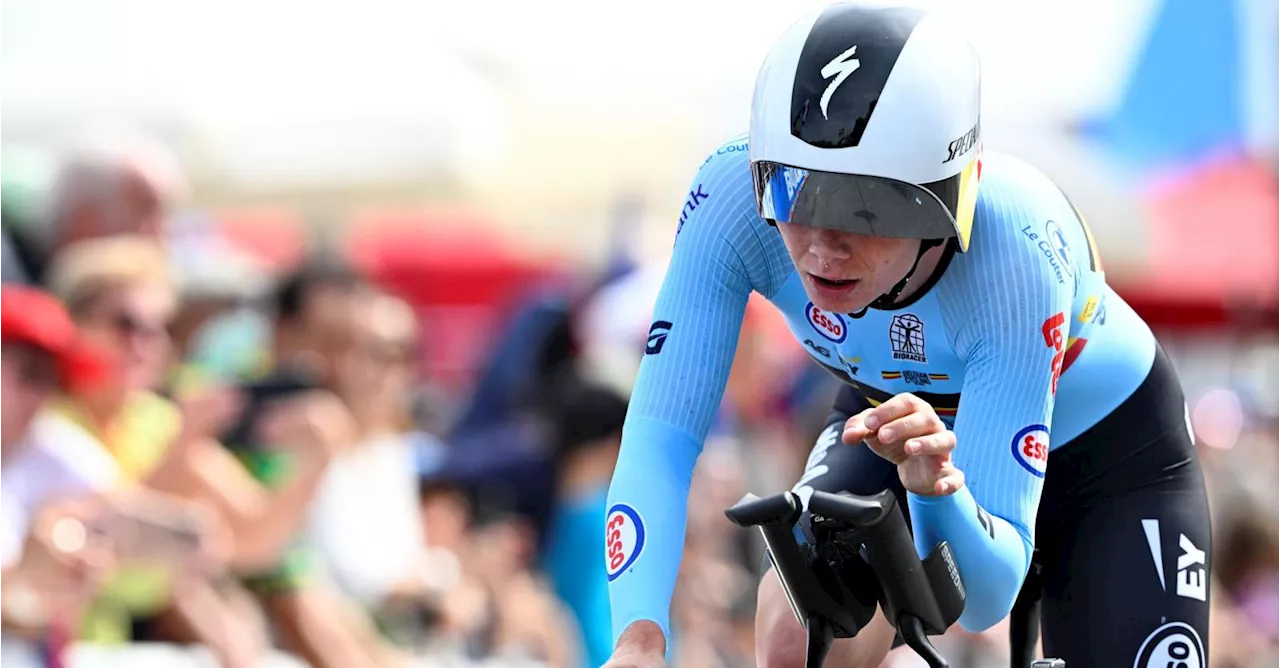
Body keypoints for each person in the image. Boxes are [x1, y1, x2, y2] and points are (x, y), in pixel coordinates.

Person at [603, 3, 1211, 668]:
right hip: (897, 424)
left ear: (949, 198)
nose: (821, 248)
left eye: (865, 206)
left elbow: (983, 599)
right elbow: (661, 434)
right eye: (796, 192)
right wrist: (639, 640)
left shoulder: (1014, 250)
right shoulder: (728, 199)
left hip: (1107, 461)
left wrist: (935, 489)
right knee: (793, 634)